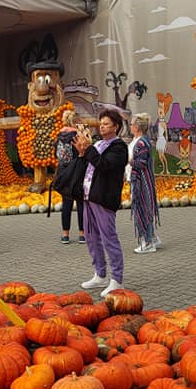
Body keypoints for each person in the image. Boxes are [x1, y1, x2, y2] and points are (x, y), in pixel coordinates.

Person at [74, 108, 129, 297]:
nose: (102, 126)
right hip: (88, 197)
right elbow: (89, 165)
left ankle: (117, 279)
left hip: (104, 199)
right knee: (91, 237)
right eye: (101, 123)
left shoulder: (119, 147)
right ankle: (100, 273)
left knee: (108, 238)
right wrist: (82, 152)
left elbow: (104, 166)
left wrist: (89, 148)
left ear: (116, 127)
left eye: (106, 124)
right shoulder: (98, 144)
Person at [128, 112, 159, 253]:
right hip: (137, 180)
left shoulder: (142, 142)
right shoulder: (138, 140)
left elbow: (141, 163)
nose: (130, 126)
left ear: (137, 127)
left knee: (143, 209)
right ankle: (151, 237)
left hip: (141, 182)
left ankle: (147, 242)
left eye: (131, 124)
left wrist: (127, 160)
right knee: (144, 209)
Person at [55, 109, 84, 244]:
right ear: (75, 121)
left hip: (63, 172)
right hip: (77, 171)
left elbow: (57, 155)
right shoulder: (77, 135)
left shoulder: (59, 135)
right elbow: (82, 151)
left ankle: (65, 234)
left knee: (66, 203)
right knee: (80, 202)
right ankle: (82, 234)